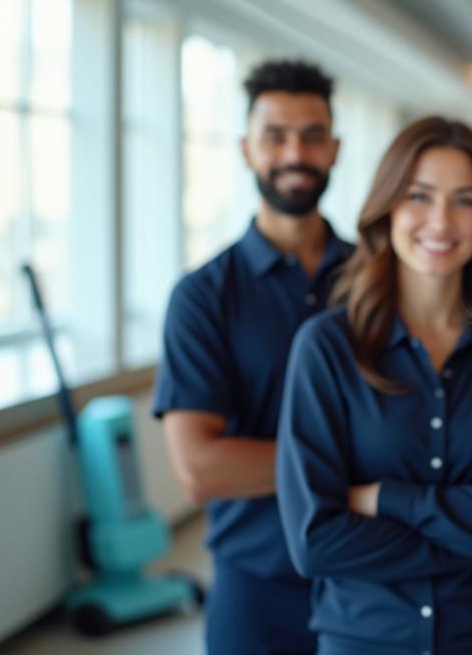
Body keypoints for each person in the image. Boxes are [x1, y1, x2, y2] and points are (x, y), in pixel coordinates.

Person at [276, 116, 472, 655]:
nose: (441, 220)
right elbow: (315, 541)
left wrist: (389, 500)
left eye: (464, 200)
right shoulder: (326, 348)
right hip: (363, 637)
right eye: (419, 196)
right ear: (387, 208)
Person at [153, 59, 353, 654]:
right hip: (256, 587)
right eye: (275, 135)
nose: (296, 151)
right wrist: (361, 464)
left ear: (335, 148)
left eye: (313, 135)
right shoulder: (203, 296)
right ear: (246, 149)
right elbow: (200, 470)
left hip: (367, 576)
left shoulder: (377, 280)